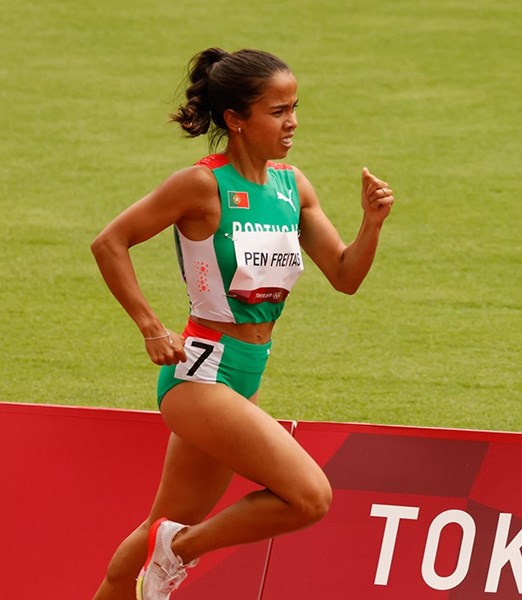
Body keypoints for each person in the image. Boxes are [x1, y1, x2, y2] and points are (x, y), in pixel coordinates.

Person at [90, 47, 395, 600]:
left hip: (245, 377)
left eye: (294, 107)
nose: (293, 121)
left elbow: (346, 275)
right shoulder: (200, 186)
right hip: (198, 376)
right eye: (277, 111)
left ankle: (158, 555)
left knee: (159, 525)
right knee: (309, 496)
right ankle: (179, 552)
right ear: (236, 119)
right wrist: (151, 325)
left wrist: (371, 225)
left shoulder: (292, 186)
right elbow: (109, 242)